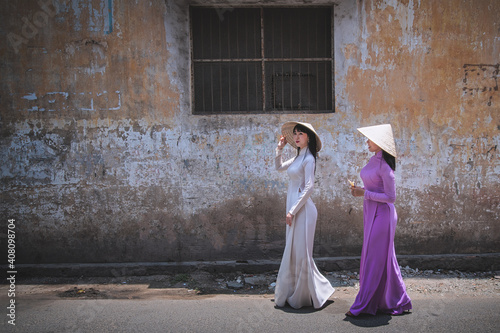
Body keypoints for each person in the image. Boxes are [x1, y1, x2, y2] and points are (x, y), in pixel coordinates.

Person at [346, 124, 412, 317]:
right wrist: (362, 190)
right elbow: (372, 186)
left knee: (374, 259)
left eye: (370, 139)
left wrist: (364, 193)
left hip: (383, 215)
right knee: (385, 259)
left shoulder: (385, 167)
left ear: (380, 142)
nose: (367, 141)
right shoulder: (374, 160)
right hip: (371, 211)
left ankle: (365, 305)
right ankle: (399, 299)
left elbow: (391, 198)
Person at [274, 121, 335, 309]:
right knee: (294, 252)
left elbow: (309, 187)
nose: (297, 137)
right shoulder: (298, 157)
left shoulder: (309, 158)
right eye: (295, 134)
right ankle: (297, 290)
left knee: (302, 254)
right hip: (293, 207)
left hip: (304, 210)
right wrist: (279, 149)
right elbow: (279, 167)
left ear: (309, 137)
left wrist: (292, 210)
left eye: (301, 133)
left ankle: (312, 294)